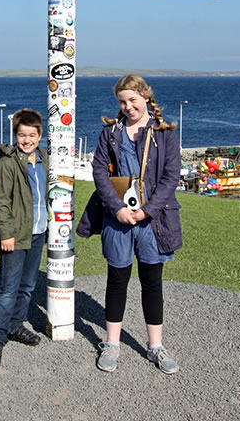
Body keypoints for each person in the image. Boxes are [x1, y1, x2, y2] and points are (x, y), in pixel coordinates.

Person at [77, 75, 184, 374]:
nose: (127, 106)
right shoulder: (110, 132)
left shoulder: (165, 133)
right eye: (122, 102)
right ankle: (112, 344)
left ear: (145, 98)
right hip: (118, 219)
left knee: (152, 283)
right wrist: (117, 208)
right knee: (117, 280)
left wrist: (147, 210)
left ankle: (156, 347)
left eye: (132, 100)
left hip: (154, 221)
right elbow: (99, 171)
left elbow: (170, 177)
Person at [0, 108, 48, 371]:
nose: (27, 140)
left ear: (40, 135)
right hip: (15, 235)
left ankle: (15, 325)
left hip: (39, 232)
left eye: (32, 135)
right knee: (7, 289)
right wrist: (5, 233)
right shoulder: (8, 163)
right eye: (22, 135)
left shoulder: (44, 159)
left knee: (28, 285)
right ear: (16, 136)